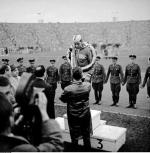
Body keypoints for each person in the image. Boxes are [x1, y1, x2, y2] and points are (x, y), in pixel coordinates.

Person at [60, 67, 92, 151]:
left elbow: (62, 99)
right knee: (86, 136)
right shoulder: (87, 85)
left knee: (74, 136)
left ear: (72, 76)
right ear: (81, 75)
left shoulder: (68, 89)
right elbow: (86, 83)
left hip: (73, 114)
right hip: (85, 113)